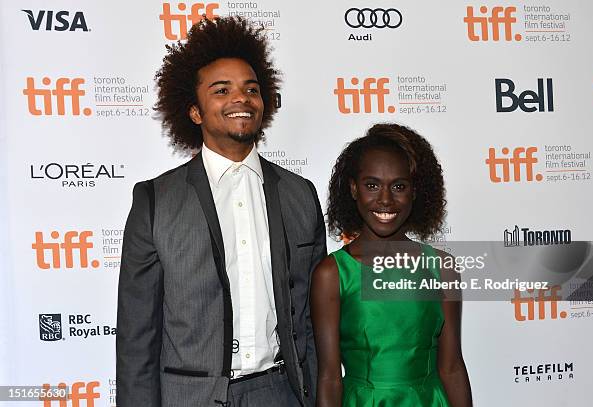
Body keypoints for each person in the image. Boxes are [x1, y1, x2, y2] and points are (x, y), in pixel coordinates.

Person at [116, 17, 325, 407]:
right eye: (222, 90)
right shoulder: (156, 200)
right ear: (194, 112)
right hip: (190, 397)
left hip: (281, 393)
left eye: (251, 89)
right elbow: (137, 338)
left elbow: (312, 321)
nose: (241, 98)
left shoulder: (301, 195)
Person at [311, 123, 472, 406]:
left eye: (398, 186)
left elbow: (452, 367)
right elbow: (329, 377)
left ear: (414, 192)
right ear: (353, 189)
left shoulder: (442, 267)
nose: (385, 200)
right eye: (372, 185)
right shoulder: (333, 273)